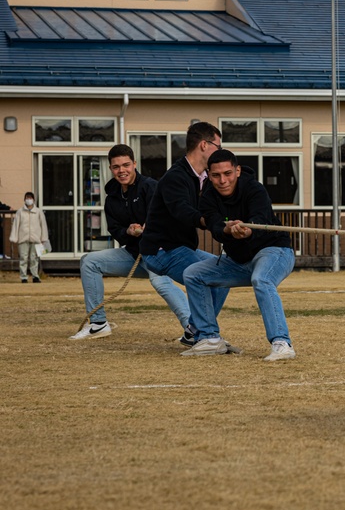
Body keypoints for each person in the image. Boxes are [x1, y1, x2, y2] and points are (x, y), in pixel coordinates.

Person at [181, 150, 296, 359]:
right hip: (239, 260)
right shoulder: (207, 195)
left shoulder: (254, 189)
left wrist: (249, 230)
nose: (222, 180)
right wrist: (225, 230)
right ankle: (209, 338)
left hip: (274, 250)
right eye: (216, 175)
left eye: (228, 173)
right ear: (209, 174)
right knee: (192, 274)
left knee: (261, 279)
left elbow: (261, 218)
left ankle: (282, 343)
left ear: (238, 171)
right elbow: (214, 223)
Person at [71, 144, 191, 340]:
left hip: (157, 252)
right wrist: (128, 231)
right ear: (110, 168)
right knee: (89, 261)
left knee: (160, 282)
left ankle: (194, 329)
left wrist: (148, 228)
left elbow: (169, 217)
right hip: (134, 254)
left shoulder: (151, 187)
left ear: (134, 164)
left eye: (126, 165)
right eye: (116, 167)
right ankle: (98, 324)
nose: (122, 171)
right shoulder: (111, 197)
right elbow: (115, 229)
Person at [139, 122, 228, 347]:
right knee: (205, 277)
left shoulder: (204, 178)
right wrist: (212, 222)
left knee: (226, 273)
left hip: (182, 247)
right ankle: (208, 337)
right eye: (218, 146)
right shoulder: (175, 177)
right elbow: (183, 212)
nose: (221, 151)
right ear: (204, 145)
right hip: (161, 250)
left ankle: (194, 331)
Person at [9, 191, 49, 283]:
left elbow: (43, 225)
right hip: (23, 238)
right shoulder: (20, 212)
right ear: (24, 199)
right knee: (23, 258)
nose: (29, 200)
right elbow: (16, 225)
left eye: (30, 198)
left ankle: (35, 276)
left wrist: (44, 238)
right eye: (27, 198)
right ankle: (23, 277)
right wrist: (14, 237)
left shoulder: (39, 212)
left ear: (34, 200)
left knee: (34, 258)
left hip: (36, 238)